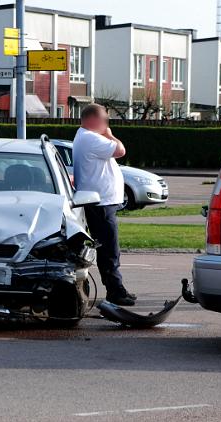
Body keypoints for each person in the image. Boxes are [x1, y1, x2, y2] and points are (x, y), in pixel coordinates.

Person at [72, 103, 136, 307]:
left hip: (100, 202)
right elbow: (120, 150)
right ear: (94, 119)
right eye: (105, 120)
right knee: (109, 250)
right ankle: (115, 292)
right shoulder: (91, 138)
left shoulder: (84, 136)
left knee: (108, 248)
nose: (107, 124)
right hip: (100, 203)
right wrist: (110, 134)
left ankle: (117, 289)